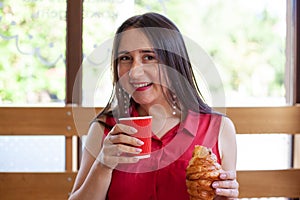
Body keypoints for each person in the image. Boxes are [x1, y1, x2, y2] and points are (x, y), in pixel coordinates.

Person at [69, 12, 239, 200]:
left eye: (149, 57)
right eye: (125, 58)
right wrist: (103, 165)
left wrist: (225, 196)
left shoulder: (218, 129)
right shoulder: (104, 129)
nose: (134, 72)